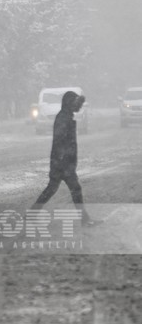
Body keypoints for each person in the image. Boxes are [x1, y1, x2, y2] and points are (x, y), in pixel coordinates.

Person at [32, 91, 99, 226]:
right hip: (63, 162)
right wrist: (65, 162)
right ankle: (85, 220)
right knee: (76, 189)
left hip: (60, 161)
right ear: (69, 103)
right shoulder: (63, 118)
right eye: (76, 103)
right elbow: (60, 141)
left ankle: (31, 213)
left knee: (51, 189)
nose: (78, 106)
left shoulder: (65, 116)